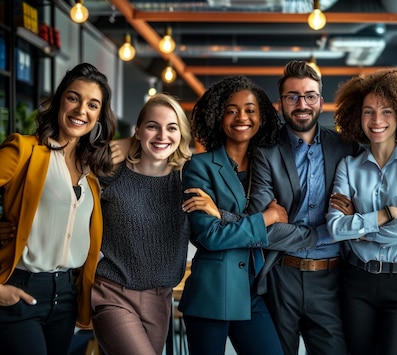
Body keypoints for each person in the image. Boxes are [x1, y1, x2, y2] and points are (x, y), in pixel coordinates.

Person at [0, 62, 116, 355]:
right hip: (20, 287)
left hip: (66, 296)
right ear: (59, 101)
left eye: (93, 104)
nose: (81, 111)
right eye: (74, 98)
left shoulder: (92, 172)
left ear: (100, 115)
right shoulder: (24, 150)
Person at [247, 60, 361, 355]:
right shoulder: (265, 153)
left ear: (321, 101)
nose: (302, 104)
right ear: (281, 102)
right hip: (280, 277)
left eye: (310, 95)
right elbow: (263, 230)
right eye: (292, 96)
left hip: (333, 280)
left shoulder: (346, 147)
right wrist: (329, 232)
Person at [325, 69, 397, 355]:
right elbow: (336, 228)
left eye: (386, 111)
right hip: (357, 283)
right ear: (357, 116)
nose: (377, 121)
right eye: (368, 112)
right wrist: (386, 213)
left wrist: (361, 231)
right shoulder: (348, 167)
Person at [179, 76, 288, 355]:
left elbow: (283, 225)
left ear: (261, 117)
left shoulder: (268, 167)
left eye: (250, 110)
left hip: (254, 294)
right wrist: (265, 218)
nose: (242, 117)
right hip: (211, 295)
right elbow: (211, 236)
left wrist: (222, 215)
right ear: (218, 117)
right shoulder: (199, 167)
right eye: (232, 110)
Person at [90, 93, 193, 354]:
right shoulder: (112, 172)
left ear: (180, 134)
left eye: (171, 128)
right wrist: (123, 143)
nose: (162, 135)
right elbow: (73, 167)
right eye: (152, 126)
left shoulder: (187, 180)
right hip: (112, 294)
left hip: (159, 300)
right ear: (138, 130)